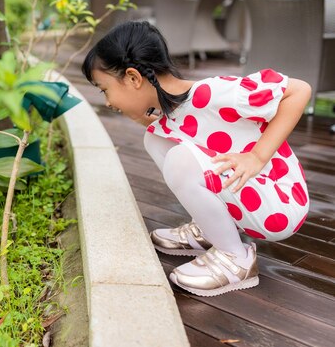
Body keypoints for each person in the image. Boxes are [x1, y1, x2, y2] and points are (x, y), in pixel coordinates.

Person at [82, 21, 311, 297]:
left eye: (104, 89)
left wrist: (256, 156)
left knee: (181, 159)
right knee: (156, 138)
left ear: (133, 78)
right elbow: (177, 130)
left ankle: (235, 258)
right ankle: (210, 230)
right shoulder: (177, 110)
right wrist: (138, 114)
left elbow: (299, 91)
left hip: (279, 201)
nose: (107, 101)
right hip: (251, 193)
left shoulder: (214, 93)